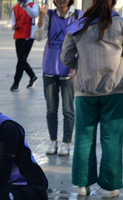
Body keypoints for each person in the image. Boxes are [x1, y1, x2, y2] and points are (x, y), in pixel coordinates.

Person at [61, 0, 123, 198]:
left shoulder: (78, 25)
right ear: (113, 2)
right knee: (112, 138)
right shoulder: (122, 24)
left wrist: (78, 66)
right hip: (116, 91)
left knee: (83, 138)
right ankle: (111, 186)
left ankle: (82, 185)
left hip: (85, 91)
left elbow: (66, 58)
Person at [35, 0, 82, 156]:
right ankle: (53, 141)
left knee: (68, 110)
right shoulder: (48, 14)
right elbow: (38, 37)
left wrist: (76, 65)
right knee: (51, 110)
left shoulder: (77, 15)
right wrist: (41, 18)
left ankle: (66, 143)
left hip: (68, 70)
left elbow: (82, 43)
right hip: (49, 69)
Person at [10, 0, 39, 92]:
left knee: (21, 60)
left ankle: (16, 83)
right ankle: (33, 76)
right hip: (19, 36)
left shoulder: (33, 5)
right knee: (21, 60)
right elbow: (13, 22)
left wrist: (26, 6)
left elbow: (34, 15)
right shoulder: (15, 7)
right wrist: (14, 26)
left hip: (29, 36)